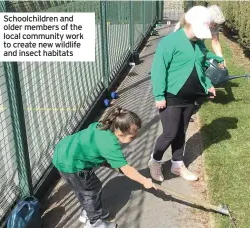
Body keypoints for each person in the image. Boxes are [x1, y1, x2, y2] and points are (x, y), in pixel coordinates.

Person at [148, 6, 224, 182]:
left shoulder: (199, 44)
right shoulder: (170, 42)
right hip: (171, 96)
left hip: (190, 96)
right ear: (190, 24)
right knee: (170, 132)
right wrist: (159, 95)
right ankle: (155, 161)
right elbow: (159, 70)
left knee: (181, 131)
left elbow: (200, 67)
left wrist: (208, 85)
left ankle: (177, 164)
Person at [52, 106, 157, 228]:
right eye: (132, 137)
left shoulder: (102, 126)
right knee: (91, 190)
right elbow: (127, 169)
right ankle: (94, 222)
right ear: (119, 133)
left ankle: (88, 212)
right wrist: (144, 181)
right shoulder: (110, 145)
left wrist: (117, 166)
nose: (134, 138)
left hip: (62, 154)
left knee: (82, 189)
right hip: (72, 165)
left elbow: (98, 154)